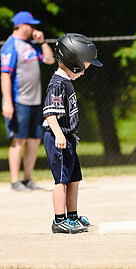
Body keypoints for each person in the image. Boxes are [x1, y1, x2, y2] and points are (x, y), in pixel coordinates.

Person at [42, 33, 103, 234]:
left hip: (68, 138)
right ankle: (59, 220)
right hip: (58, 138)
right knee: (61, 180)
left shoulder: (67, 81)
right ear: (73, 61)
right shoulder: (57, 83)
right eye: (86, 64)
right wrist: (59, 134)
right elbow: (50, 113)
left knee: (74, 179)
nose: (86, 70)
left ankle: (72, 217)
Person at [0, 11, 55, 191]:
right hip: (19, 101)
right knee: (19, 140)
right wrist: (7, 102)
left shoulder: (31, 46)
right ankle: (15, 181)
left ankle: (27, 180)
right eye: (31, 25)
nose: (33, 28)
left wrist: (42, 42)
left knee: (34, 140)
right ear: (22, 26)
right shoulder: (11, 46)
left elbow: (49, 60)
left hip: (34, 101)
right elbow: (5, 76)